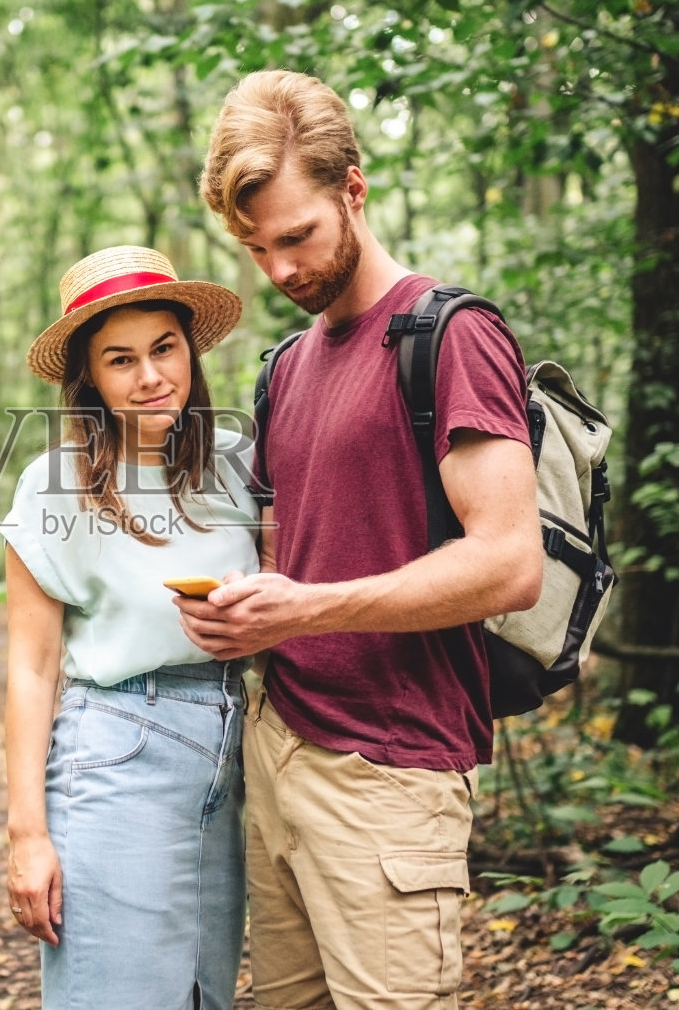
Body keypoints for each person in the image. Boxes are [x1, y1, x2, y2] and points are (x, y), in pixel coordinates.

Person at [176, 70, 544, 1010]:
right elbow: (291, 554)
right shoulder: (285, 368)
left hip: (391, 768)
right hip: (278, 747)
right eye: (256, 248)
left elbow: (511, 562)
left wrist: (307, 609)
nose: (281, 270)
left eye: (296, 235)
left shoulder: (449, 335)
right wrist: (238, 610)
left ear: (353, 189)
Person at [2, 244, 259, 1009]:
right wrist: (27, 836)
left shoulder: (241, 464)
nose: (150, 375)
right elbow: (30, 669)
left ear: (190, 352)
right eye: (121, 359)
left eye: (164, 348)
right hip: (118, 754)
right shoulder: (55, 485)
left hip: (232, 758)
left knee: (201, 996)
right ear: (90, 377)